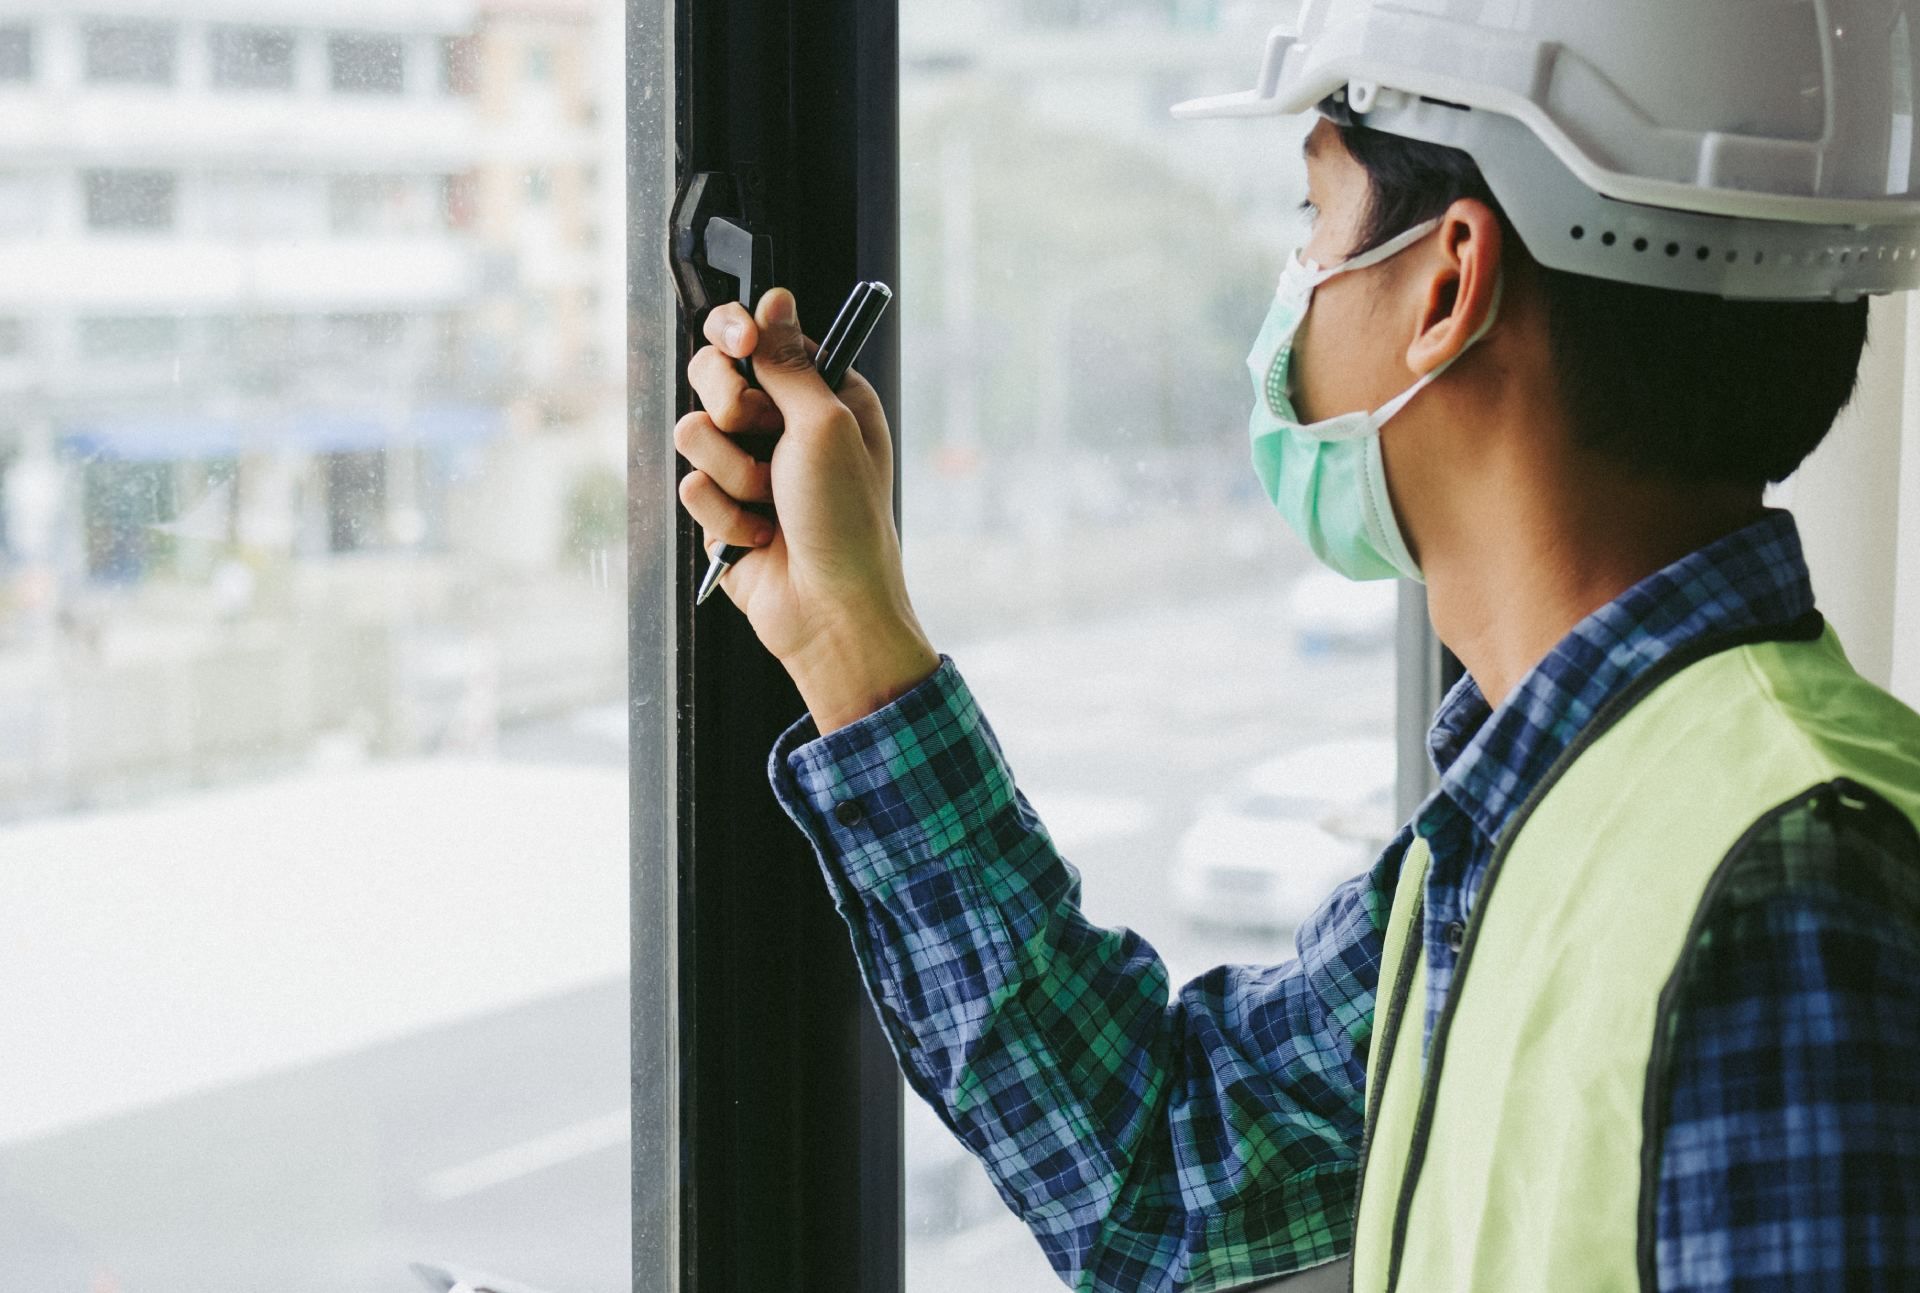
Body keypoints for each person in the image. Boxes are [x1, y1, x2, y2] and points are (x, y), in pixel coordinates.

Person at [672, 2, 1920, 1287]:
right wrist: (845, 631)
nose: (1295, 287)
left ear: (1447, 282)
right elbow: (1161, 1165)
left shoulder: (1787, 903)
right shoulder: (1541, 817)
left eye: (1311, 217)